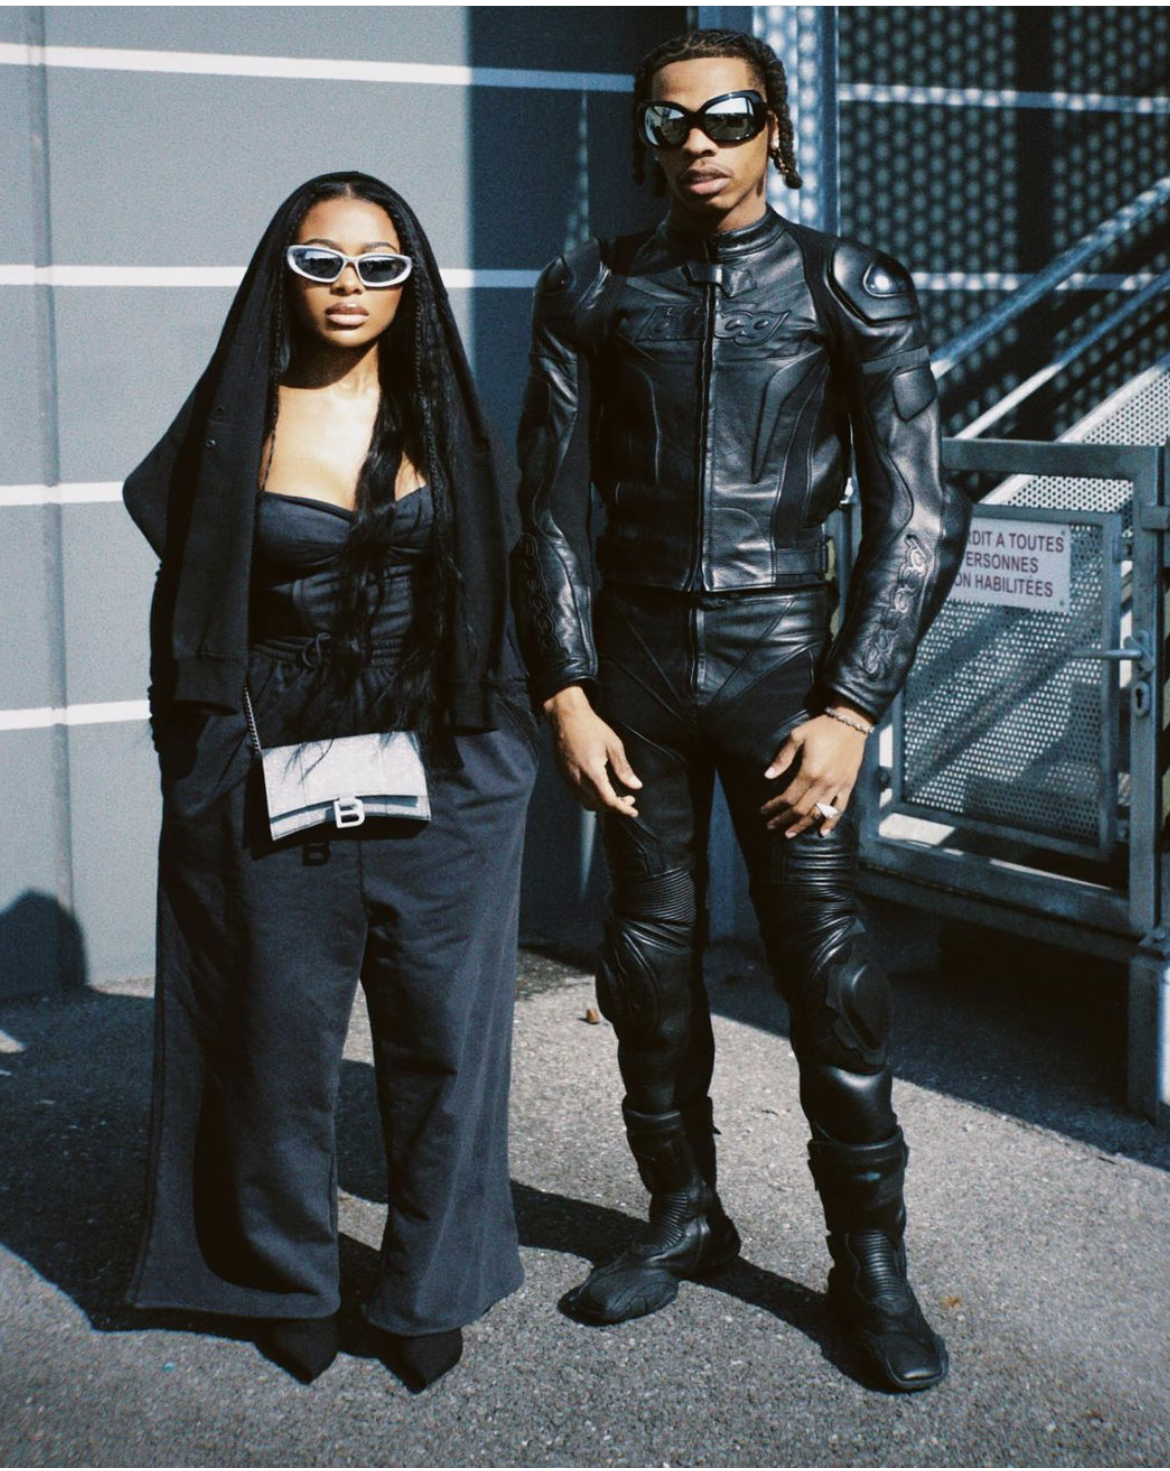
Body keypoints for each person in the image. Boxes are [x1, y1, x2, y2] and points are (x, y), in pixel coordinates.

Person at [514, 29, 971, 1393]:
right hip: (636, 667)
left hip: (783, 661)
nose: (700, 143)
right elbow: (548, 501)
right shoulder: (591, 283)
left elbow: (918, 513)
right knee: (644, 962)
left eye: (728, 115)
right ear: (643, 138)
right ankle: (683, 1214)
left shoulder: (848, 284)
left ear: (773, 125)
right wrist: (564, 686)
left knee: (829, 973)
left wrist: (851, 706)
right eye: (673, 122)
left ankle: (867, 1265)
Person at [123, 172, 538, 1391]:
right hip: (270, 752)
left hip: (447, 755)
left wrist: (512, 750)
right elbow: (183, 603)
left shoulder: (446, 420)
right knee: (272, 1031)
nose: (349, 285)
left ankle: (430, 1284)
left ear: (411, 283)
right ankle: (281, 1276)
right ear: (283, 273)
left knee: (448, 1036)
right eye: (322, 261)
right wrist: (195, 757)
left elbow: (505, 584)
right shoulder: (236, 424)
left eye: (377, 263)